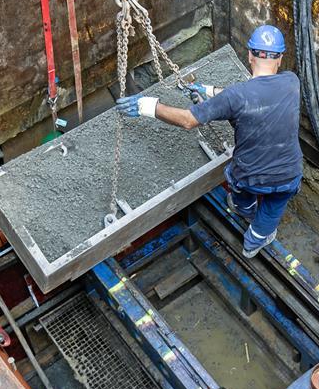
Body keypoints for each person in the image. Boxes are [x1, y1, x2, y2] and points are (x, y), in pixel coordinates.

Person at [116, 25, 302, 258]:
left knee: (241, 194)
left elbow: (188, 120)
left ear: (249, 55)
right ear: (280, 58)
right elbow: (256, 96)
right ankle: (253, 243)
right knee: (272, 210)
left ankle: (245, 209)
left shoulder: (235, 96)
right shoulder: (291, 82)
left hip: (250, 177)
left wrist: (147, 106)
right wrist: (210, 92)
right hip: (288, 174)